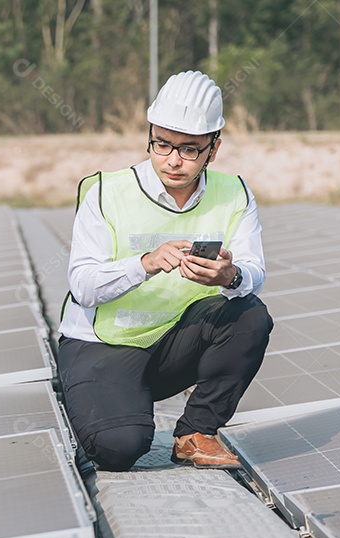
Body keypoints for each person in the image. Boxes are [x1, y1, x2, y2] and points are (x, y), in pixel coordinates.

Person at [57, 70, 272, 472]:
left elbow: (254, 271)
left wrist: (229, 276)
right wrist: (145, 264)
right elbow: (83, 286)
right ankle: (91, 398)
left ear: (214, 148)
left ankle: (196, 432)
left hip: (173, 346)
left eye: (190, 149)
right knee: (119, 449)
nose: (173, 160)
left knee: (250, 313)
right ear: (150, 136)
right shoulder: (106, 192)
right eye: (162, 144)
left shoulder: (235, 193)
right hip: (104, 345)